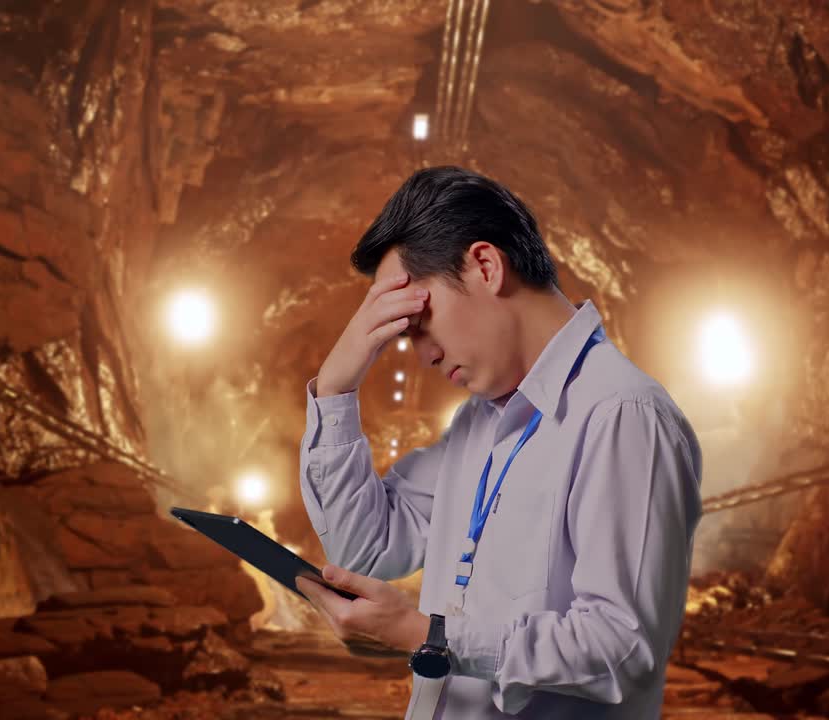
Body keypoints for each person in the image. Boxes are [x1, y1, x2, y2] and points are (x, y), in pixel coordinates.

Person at [295, 166, 703, 719]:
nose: (424, 355)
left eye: (419, 321)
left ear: (485, 265)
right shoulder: (478, 424)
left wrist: (430, 636)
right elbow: (368, 549)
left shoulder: (622, 414)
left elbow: (620, 647)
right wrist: (337, 389)